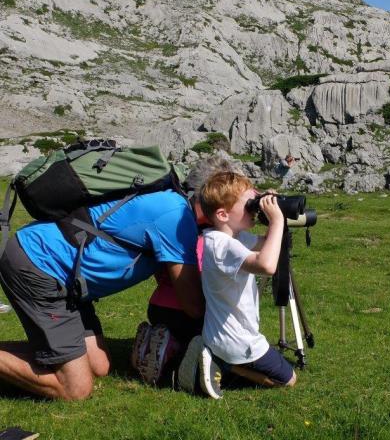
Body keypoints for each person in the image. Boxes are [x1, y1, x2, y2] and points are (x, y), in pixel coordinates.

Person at [0, 161, 208, 400]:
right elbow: (193, 306)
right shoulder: (175, 213)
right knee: (75, 389)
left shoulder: (172, 203)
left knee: (100, 367)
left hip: (71, 279)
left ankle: (51, 354)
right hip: (39, 264)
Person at [178, 171, 296, 398]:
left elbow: (267, 243)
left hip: (219, 334)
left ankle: (216, 357)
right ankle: (225, 365)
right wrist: (277, 219)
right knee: (289, 380)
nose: (253, 207)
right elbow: (267, 265)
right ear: (223, 214)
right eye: (249, 204)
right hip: (237, 341)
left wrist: (267, 206)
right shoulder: (223, 246)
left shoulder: (227, 237)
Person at [132, 156, 242, 384]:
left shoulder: (179, 217)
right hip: (184, 310)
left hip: (157, 304)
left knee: (183, 329)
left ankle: (154, 342)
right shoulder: (200, 233)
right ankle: (172, 352)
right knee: (214, 340)